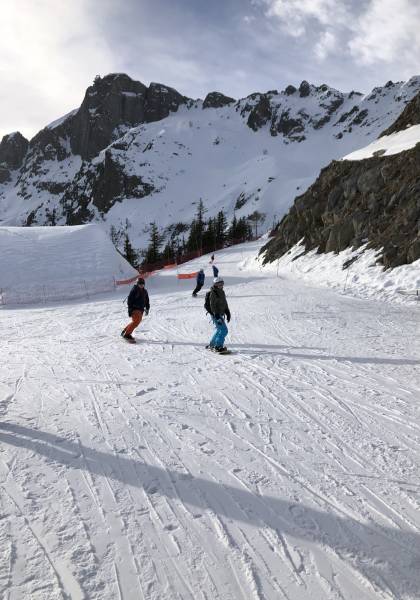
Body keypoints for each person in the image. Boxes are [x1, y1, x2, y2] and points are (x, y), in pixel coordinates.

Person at [121, 277, 150, 342]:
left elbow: (147, 301)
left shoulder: (145, 291)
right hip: (134, 309)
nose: (141, 285)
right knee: (136, 321)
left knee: (136, 321)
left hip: (141, 309)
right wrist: (130, 309)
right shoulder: (134, 290)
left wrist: (147, 308)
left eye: (142, 284)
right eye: (140, 284)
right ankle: (127, 334)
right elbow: (129, 301)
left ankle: (125, 331)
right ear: (137, 284)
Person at [207, 277, 231, 353]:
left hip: (220, 314)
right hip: (216, 314)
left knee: (220, 329)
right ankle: (218, 346)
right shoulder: (213, 293)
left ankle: (212, 344)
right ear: (215, 284)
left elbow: (224, 302)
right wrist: (216, 316)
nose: (221, 285)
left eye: (222, 283)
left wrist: (227, 312)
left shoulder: (221, 291)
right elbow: (212, 305)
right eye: (219, 284)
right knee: (224, 330)